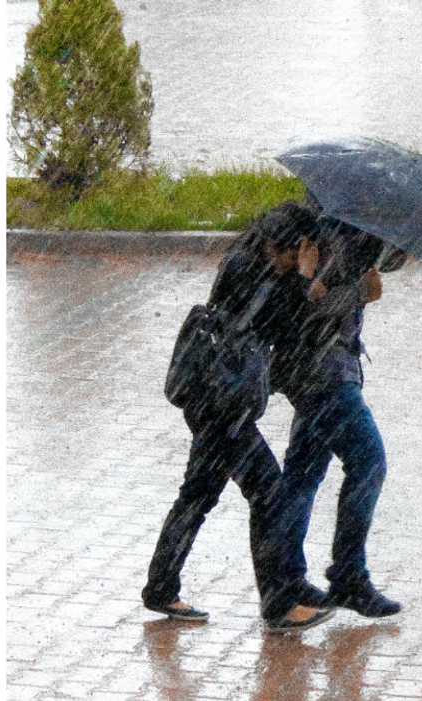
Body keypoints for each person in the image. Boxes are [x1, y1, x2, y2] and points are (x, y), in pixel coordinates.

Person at [142, 201, 340, 632]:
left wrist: (304, 283)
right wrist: (305, 284)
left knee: (198, 492)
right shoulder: (252, 270)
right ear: (288, 245)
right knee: (268, 491)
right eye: (302, 251)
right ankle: (278, 605)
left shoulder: (252, 261)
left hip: (211, 398)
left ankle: (160, 587)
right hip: (220, 406)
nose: (303, 259)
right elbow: (282, 325)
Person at [269, 214, 406, 618]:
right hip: (322, 374)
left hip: (320, 369)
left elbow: (387, 261)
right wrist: (360, 292)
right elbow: (306, 310)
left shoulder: (353, 226)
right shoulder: (329, 231)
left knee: (303, 473)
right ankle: (347, 574)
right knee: (368, 461)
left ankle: (287, 579)